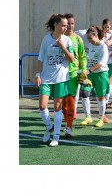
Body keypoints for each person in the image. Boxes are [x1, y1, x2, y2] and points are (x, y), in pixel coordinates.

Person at [35, 14, 74, 147]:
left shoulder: (68, 40)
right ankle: (49, 127)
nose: (65, 27)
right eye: (63, 25)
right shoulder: (46, 39)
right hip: (46, 77)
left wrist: (63, 47)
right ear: (56, 25)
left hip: (61, 78)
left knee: (57, 107)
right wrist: (37, 75)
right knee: (42, 105)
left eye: (66, 25)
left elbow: (72, 59)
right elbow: (40, 59)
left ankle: (56, 137)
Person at [62, 13, 87, 138]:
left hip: (73, 74)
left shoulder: (78, 39)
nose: (71, 26)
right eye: (68, 24)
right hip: (60, 73)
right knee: (63, 100)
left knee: (71, 98)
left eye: (72, 23)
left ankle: (69, 127)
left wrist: (83, 70)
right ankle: (65, 121)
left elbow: (82, 57)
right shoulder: (59, 38)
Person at [79, 25, 110, 127]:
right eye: (88, 38)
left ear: (96, 35)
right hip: (90, 75)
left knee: (100, 97)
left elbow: (101, 63)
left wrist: (89, 70)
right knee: (84, 92)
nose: (89, 40)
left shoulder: (103, 47)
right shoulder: (88, 44)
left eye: (90, 38)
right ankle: (88, 117)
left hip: (101, 74)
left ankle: (101, 118)